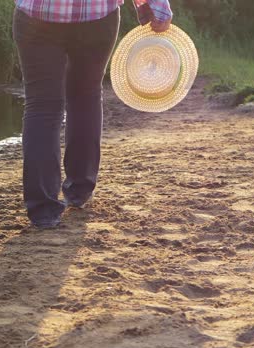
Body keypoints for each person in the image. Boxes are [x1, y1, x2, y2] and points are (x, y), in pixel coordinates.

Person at [13, 0, 172, 228]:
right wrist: (155, 7)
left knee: (42, 105)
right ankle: (79, 190)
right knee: (85, 97)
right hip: (96, 17)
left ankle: (43, 209)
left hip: (37, 14)